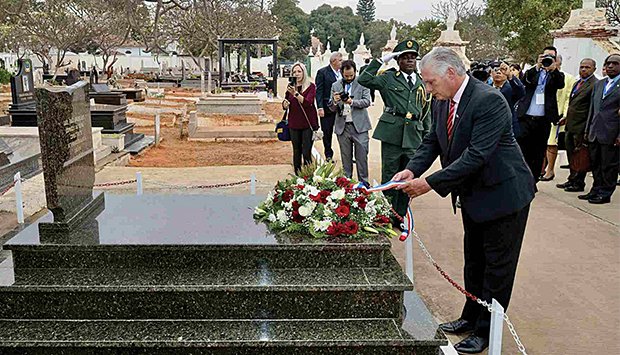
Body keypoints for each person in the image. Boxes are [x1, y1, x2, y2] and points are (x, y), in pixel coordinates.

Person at [393, 48, 535, 354]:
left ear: (451, 74)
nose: (427, 89)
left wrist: (428, 183)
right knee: (474, 262)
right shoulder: (442, 101)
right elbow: (433, 140)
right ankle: (470, 317)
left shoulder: (489, 101)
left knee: (496, 269)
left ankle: (486, 332)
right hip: (473, 195)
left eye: (430, 82)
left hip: (503, 195)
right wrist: (412, 169)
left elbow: (476, 155)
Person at [358, 39, 431, 227]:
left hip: (414, 134)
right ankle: (386, 216)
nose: (409, 61)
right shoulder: (389, 77)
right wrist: (381, 61)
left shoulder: (422, 82)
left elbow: (426, 111)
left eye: (413, 57)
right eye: (405, 57)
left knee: (408, 179)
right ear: (398, 61)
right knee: (390, 177)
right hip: (392, 133)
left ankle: (400, 216)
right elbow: (364, 80)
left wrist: (427, 137)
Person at [516, 46, 565, 184]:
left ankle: (533, 180)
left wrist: (553, 69)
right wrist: (538, 66)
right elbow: (525, 80)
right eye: (545, 56)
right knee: (522, 149)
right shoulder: (533, 72)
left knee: (538, 151)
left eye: (551, 57)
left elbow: (560, 84)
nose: (547, 59)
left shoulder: (557, 75)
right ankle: (520, 178)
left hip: (543, 119)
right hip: (525, 117)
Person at [579, 54, 620, 204]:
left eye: (615, 64)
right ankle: (595, 189)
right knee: (595, 164)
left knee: (608, 165)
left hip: (612, 133)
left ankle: (605, 193)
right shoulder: (599, 84)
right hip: (594, 131)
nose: (610, 66)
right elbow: (592, 109)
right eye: (608, 63)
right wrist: (587, 130)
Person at [556, 58, 598, 192]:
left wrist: (587, 130)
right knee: (571, 155)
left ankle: (579, 182)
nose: (583, 70)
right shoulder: (577, 83)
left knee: (580, 156)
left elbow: (591, 108)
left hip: (581, 127)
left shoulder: (594, 85)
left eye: (587, 67)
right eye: (581, 67)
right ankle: (572, 179)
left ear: (594, 69)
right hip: (570, 125)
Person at [328, 60, 372, 185]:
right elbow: (331, 108)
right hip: (343, 127)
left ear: (355, 72)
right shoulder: (335, 85)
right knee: (345, 158)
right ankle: (347, 184)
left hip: (360, 126)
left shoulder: (362, 83)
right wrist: (335, 101)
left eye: (351, 76)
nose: (348, 78)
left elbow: (366, 102)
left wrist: (351, 102)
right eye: (346, 76)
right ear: (341, 73)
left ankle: (364, 184)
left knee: (362, 157)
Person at [541, 55, 577, 181]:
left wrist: (565, 114)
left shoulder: (568, 78)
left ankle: (550, 170)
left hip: (557, 115)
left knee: (552, 143)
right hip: (541, 114)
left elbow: (569, 97)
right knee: (542, 144)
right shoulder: (541, 75)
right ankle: (542, 169)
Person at [282, 62, 319, 175]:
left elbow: (308, 103)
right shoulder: (290, 87)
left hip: (307, 123)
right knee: (296, 151)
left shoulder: (311, 86)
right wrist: (285, 104)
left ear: (304, 72)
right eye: (294, 72)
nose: (297, 74)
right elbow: (285, 103)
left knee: (306, 151)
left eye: (299, 71)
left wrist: (296, 94)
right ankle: (297, 176)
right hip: (294, 123)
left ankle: (308, 176)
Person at [315, 52, 343, 162]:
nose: (342, 62)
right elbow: (319, 91)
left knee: (346, 131)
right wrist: (320, 107)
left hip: (342, 107)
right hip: (327, 107)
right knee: (327, 132)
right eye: (340, 60)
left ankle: (348, 154)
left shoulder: (343, 72)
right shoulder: (323, 72)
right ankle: (328, 154)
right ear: (333, 61)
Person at [490, 61, 525, 136]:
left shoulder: (511, 88)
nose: (498, 72)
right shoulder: (486, 88)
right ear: (491, 73)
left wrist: (510, 76)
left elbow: (521, 92)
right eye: (496, 70)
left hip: (508, 128)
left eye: (502, 70)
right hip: (490, 128)